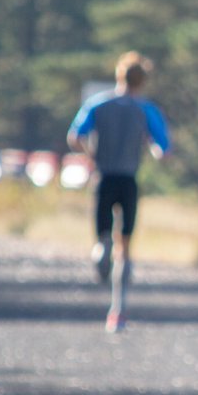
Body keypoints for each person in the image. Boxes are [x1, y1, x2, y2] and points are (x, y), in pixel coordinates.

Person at [67, 51, 170, 333]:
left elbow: (74, 136)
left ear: (119, 75)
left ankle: (101, 252)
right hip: (128, 179)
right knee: (125, 246)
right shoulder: (146, 109)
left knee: (103, 237)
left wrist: (90, 155)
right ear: (143, 80)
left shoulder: (98, 104)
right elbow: (162, 147)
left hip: (103, 177)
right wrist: (153, 150)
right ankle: (117, 310)